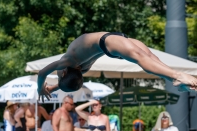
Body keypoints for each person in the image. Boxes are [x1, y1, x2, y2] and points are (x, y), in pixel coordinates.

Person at [37, 32, 197, 101]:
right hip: (110, 42)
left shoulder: (74, 65)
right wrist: (47, 88)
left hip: (110, 44)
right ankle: (177, 78)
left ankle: (177, 78)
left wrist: (45, 89)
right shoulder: (70, 65)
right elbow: (50, 76)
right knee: (148, 59)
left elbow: (48, 76)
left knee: (148, 60)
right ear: (65, 72)